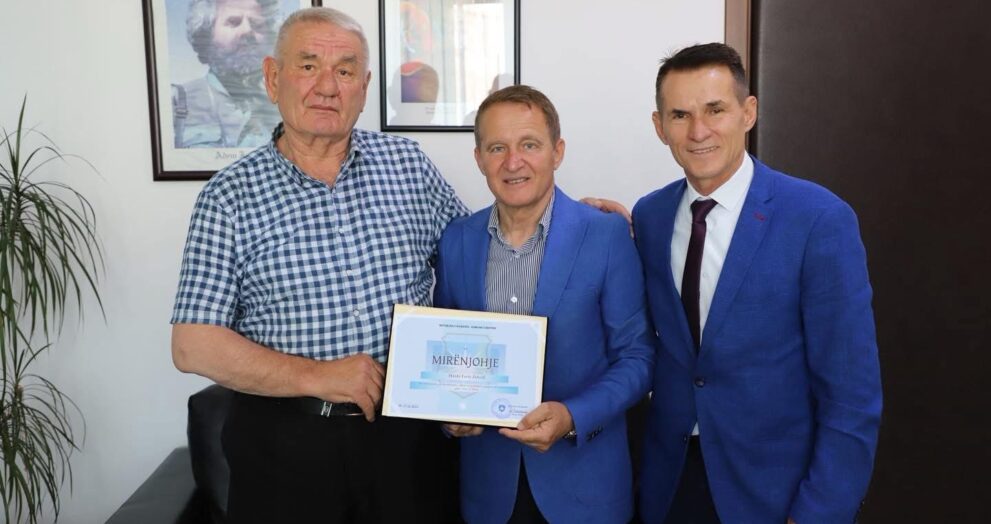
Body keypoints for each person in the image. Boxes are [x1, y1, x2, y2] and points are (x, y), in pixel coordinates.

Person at [170, 7, 467, 523]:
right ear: (273, 78)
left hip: (406, 441)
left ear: (364, 87)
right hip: (284, 449)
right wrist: (319, 376)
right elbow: (192, 343)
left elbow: (480, 254)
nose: (327, 86)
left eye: (345, 70)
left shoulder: (410, 167)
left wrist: (573, 220)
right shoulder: (228, 197)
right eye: (308, 66)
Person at [633, 43, 882, 524]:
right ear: (659, 126)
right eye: (680, 115)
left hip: (775, 493)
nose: (698, 131)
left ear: (748, 112)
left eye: (715, 110)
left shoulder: (818, 219)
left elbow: (852, 393)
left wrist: (820, 512)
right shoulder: (650, 216)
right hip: (671, 485)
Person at [435, 85, 656, 524]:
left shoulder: (606, 235)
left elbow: (638, 358)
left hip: (585, 489)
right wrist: (448, 415)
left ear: (558, 151)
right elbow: (447, 355)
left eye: (529, 145)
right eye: (497, 148)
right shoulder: (456, 240)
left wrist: (573, 416)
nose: (513, 162)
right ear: (478, 158)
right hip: (488, 492)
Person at [171, 0, 282, 148]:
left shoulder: (284, 106)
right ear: (207, 34)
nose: (247, 30)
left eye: (257, 24)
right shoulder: (177, 102)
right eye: (233, 22)